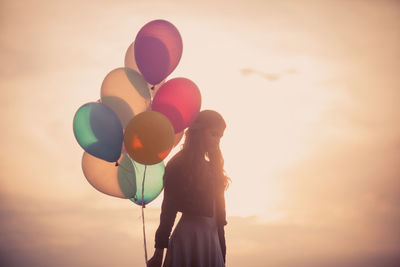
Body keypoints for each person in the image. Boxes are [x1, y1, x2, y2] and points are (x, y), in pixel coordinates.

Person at [148, 110, 230, 267]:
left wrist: (222, 252)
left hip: (211, 242)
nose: (217, 140)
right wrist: (159, 251)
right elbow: (168, 209)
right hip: (189, 239)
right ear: (199, 133)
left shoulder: (214, 168)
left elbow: (220, 220)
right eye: (214, 134)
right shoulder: (178, 164)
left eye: (220, 136)